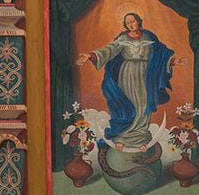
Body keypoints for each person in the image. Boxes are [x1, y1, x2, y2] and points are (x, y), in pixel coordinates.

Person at [75, 12, 183, 152]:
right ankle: (122, 138)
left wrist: (173, 61)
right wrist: (90, 55)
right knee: (128, 104)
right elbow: (109, 50)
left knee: (143, 104)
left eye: (133, 21)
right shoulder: (122, 38)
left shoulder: (149, 37)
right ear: (125, 25)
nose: (131, 24)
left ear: (139, 21)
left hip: (145, 75)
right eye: (128, 23)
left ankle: (141, 137)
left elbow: (160, 54)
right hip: (127, 74)